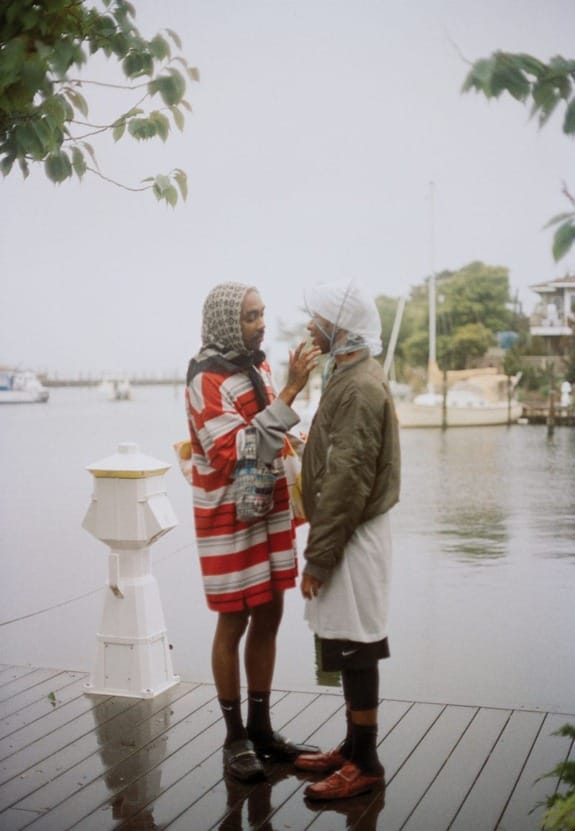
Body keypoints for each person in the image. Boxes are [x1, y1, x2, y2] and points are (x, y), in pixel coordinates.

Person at [184, 281, 321, 783]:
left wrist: (304, 437)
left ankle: (262, 730)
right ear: (226, 323)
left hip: (265, 505)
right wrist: (289, 392)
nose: (261, 323)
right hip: (225, 512)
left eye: (262, 313)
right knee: (233, 619)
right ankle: (234, 737)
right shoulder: (206, 379)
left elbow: (271, 432)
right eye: (250, 316)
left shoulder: (255, 365)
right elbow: (231, 450)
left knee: (269, 611)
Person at [293, 278, 401, 801]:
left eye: (318, 321)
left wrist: (318, 558)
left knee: (358, 646)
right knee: (347, 639)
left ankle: (367, 763)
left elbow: (349, 477)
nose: (311, 326)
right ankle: (354, 748)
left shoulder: (359, 386)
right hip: (347, 531)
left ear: (341, 329)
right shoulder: (348, 372)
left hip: (352, 533)